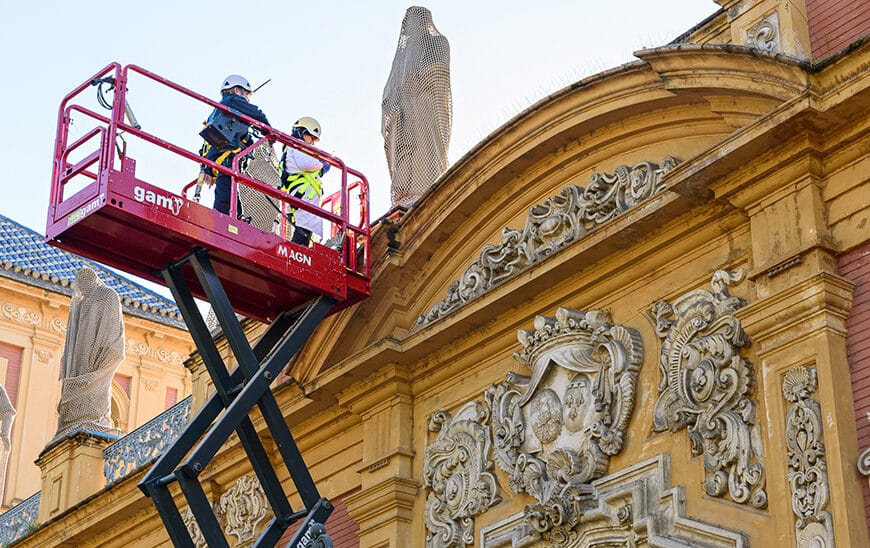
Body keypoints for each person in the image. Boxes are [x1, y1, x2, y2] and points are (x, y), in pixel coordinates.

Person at [199, 75, 271, 217]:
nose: (247, 99)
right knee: (226, 196)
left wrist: (206, 169)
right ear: (237, 90)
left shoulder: (217, 112)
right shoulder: (233, 101)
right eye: (245, 94)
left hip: (217, 158)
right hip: (227, 158)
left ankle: (235, 216)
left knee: (227, 191)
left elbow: (207, 145)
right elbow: (257, 114)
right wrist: (269, 131)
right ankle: (226, 220)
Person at [280, 117, 330, 246]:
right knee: (304, 227)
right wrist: (322, 164)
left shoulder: (294, 147)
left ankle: (299, 249)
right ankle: (297, 250)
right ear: (302, 132)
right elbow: (307, 164)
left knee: (306, 226)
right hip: (303, 193)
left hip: (303, 194)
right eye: (311, 138)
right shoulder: (296, 146)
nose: (312, 143)